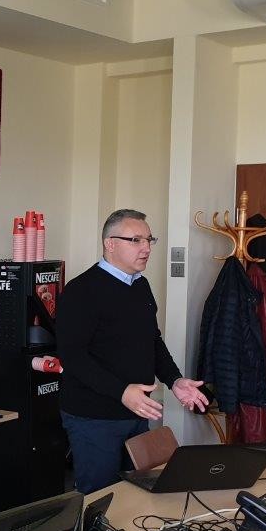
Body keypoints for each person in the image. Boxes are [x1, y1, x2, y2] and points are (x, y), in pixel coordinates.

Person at [55, 209, 209, 494]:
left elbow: (152, 340)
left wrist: (175, 380)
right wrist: (122, 391)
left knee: (138, 494)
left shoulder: (140, 285)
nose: (146, 248)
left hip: (136, 413)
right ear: (110, 244)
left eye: (149, 240)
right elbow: (72, 356)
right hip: (95, 417)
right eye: (136, 240)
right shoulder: (82, 291)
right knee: (101, 496)